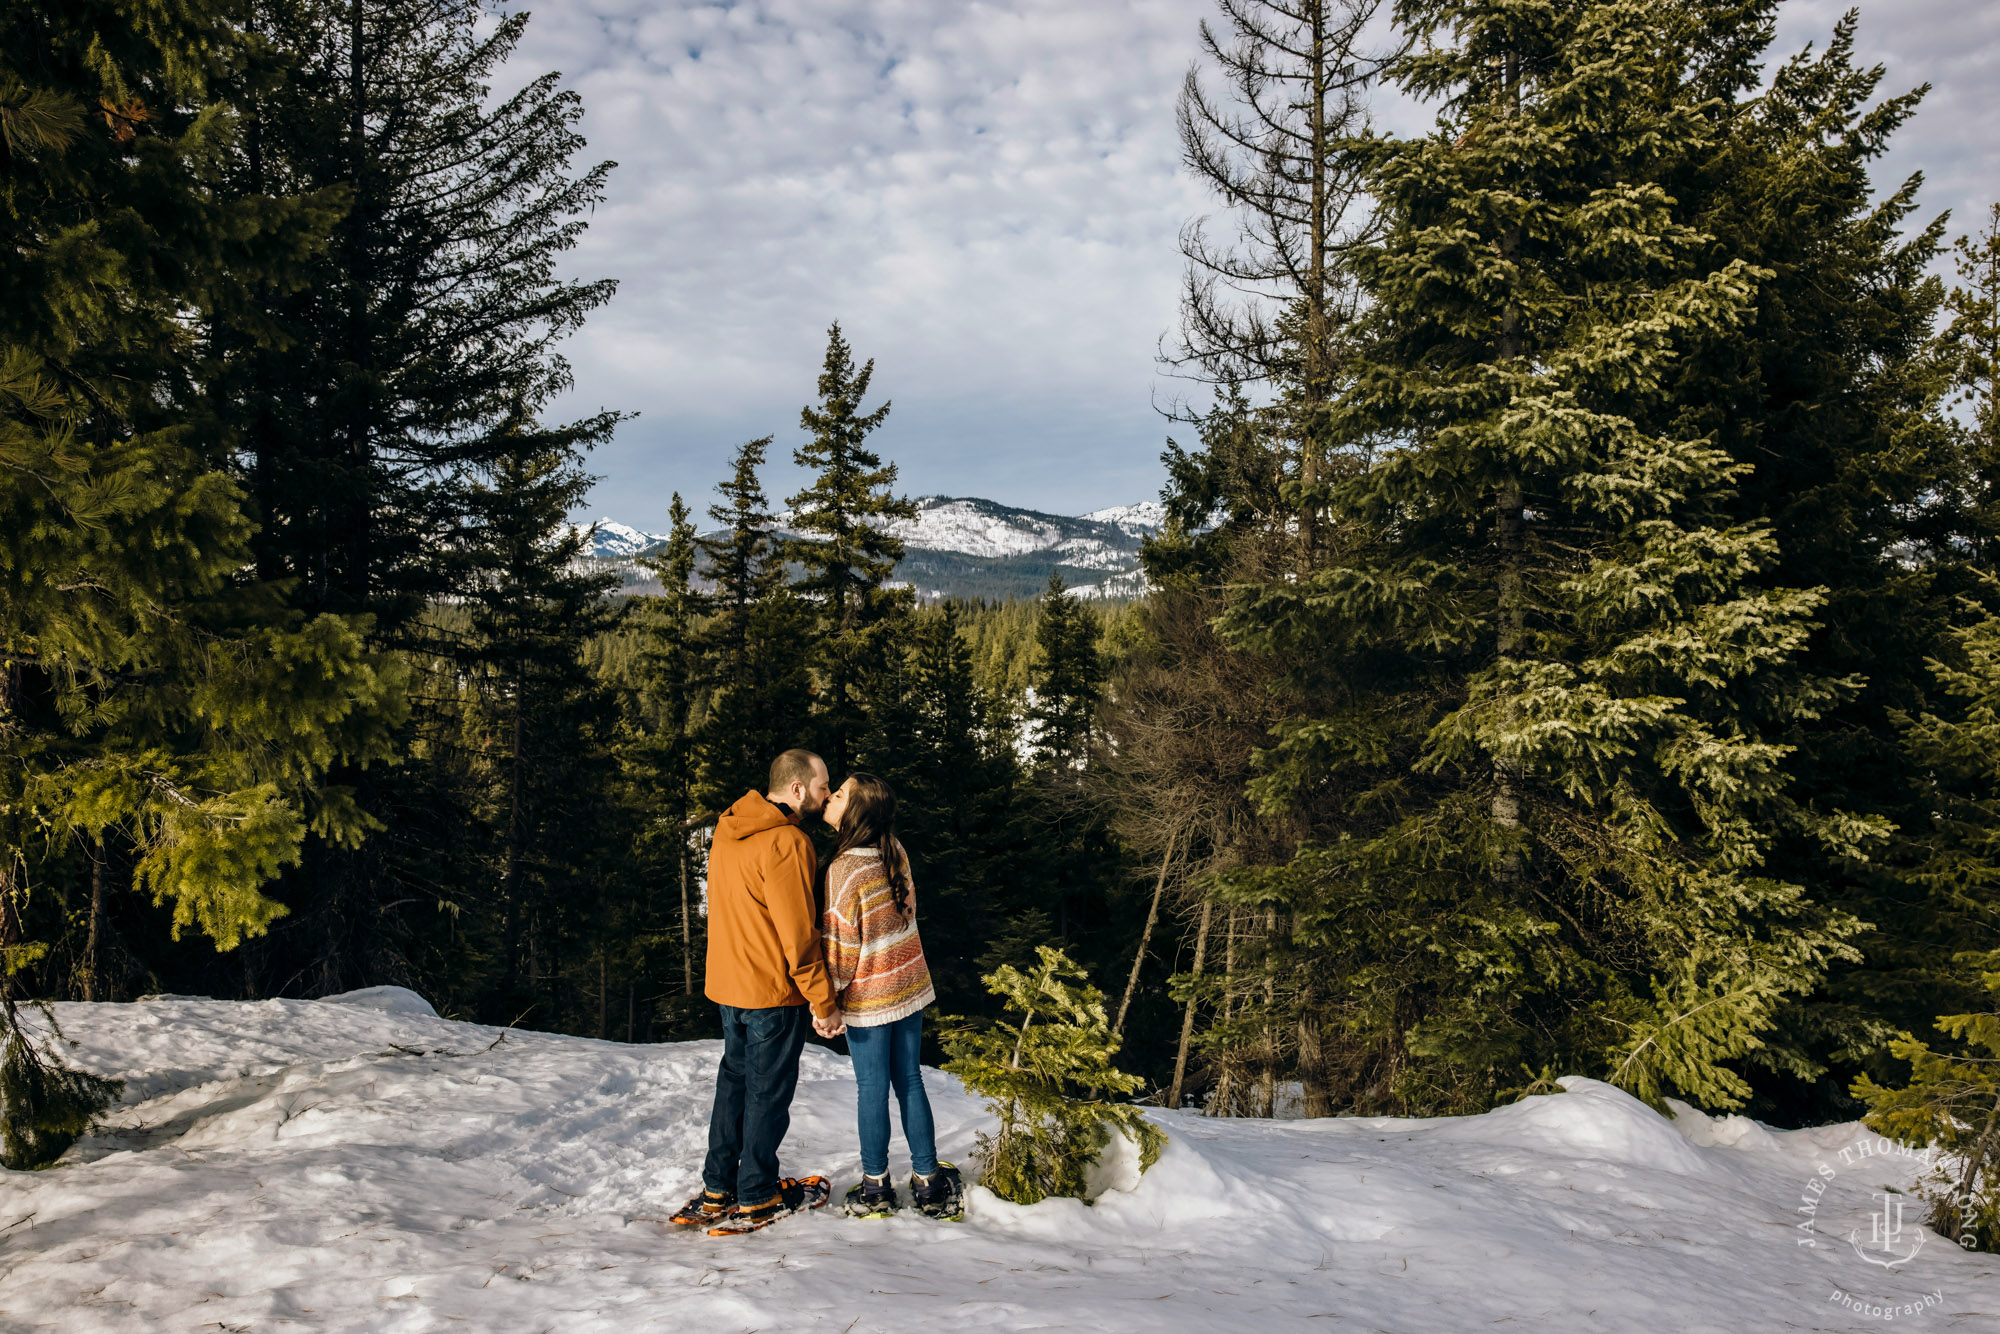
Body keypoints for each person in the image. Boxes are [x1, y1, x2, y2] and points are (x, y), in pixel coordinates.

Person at [672, 749, 846, 1235]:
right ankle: (757, 1196)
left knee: (734, 1085)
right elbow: (797, 933)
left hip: (730, 985)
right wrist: (823, 1000)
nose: (825, 795)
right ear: (796, 789)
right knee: (766, 1094)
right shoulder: (787, 842)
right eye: (820, 787)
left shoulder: (729, 829)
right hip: (771, 989)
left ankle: (717, 1188)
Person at [820, 773, 963, 1220]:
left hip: (868, 998)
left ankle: (876, 1186)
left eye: (839, 794)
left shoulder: (843, 870)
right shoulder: (894, 849)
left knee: (871, 1089)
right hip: (909, 986)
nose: (831, 796)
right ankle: (927, 1180)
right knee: (910, 1082)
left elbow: (842, 950)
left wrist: (829, 1004)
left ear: (855, 813)